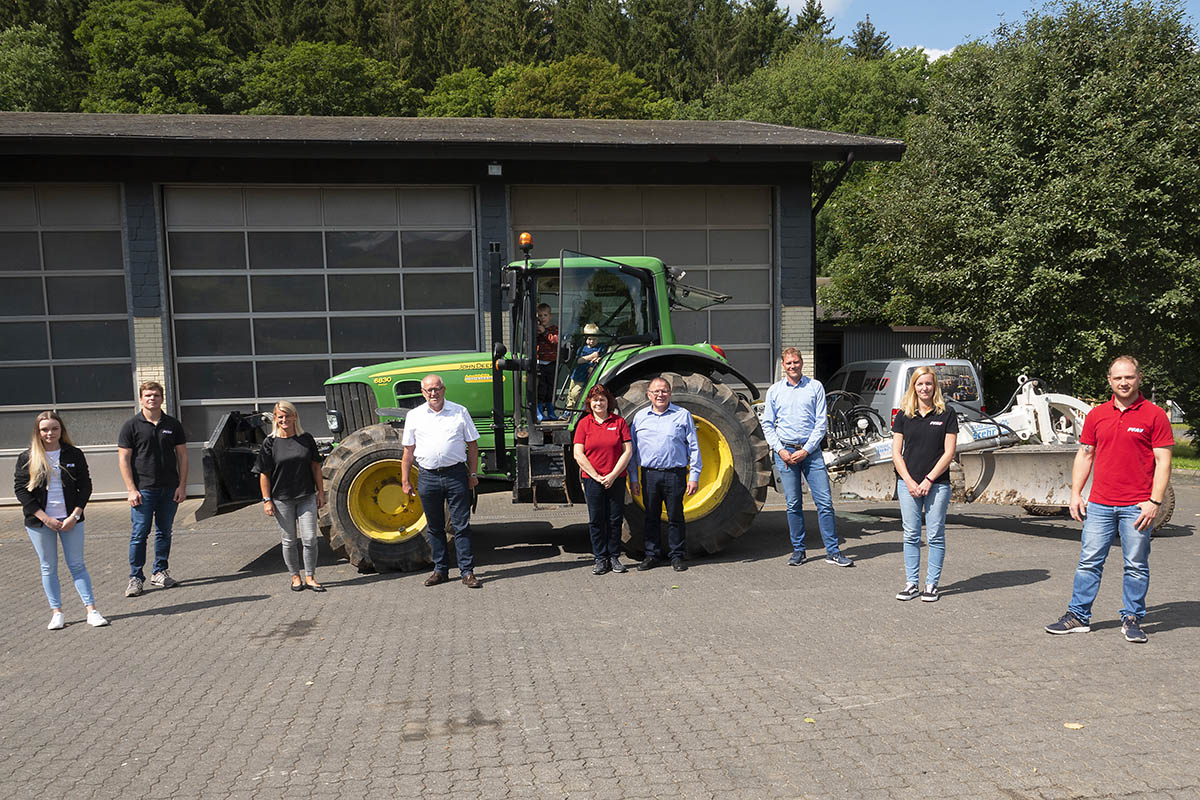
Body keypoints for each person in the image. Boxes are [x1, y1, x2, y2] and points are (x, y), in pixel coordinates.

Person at [1045, 356, 1173, 643]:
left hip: (1137, 506)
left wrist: (1154, 501)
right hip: (1100, 504)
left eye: (1129, 377)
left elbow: (1164, 461)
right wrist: (1076, 494)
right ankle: (1078, 616)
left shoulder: (1155, 415)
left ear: (1139, 378)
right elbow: (1085, 454)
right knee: (1089, 561)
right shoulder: (1097, 415)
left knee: (1136, 564)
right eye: (1118, 378)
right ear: (1109, 381)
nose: (1123, 382)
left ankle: (1132, 618)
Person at [15, 412, 109, 630]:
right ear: (38, 432)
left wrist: (75, 515)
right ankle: (57, 612)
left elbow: (85, 486)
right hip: (40, 523)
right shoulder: (27, 457)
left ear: (61, 430)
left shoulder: (73, 454)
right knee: (48, 567)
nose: (50, 433)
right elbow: (21, 490)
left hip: (71, 520)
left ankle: (91, 610)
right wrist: (45, 518)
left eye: (54, 428)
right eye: (45, 429)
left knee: (77, 564)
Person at [760, 348, 853, 567]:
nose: (793, 366)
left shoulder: (815, 387)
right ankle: (799, 551)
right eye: (788, 363)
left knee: (825, 503)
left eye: (796, 362)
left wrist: (807, 449)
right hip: (785, 453)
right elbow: (767, 424)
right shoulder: (774, 391)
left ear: (802, 363)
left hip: (810, 454)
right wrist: (781, 450)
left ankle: (833, 551)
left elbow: (821, 423)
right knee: (793, 505)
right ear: (783, 365)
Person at [401, 374, 482, 588]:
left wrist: (473, 474)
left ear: (444, 390)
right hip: (427, 476)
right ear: (423, 393)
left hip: (456, 475)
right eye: (429, 390)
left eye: (437, 389)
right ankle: (440, 570)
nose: (433, 393)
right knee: (435, 527)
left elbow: (473, 445)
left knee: (461, 526)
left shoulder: (459, 412)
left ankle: (467, 572)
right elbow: (408, 451)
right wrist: (405, 480)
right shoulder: (414, 416)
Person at [891, 367, 959, 602]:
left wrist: (929, 479)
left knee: (935, 535)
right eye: (920, 384)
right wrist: (909, 481)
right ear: (913, 387)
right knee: (910, 534)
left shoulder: (946, 414)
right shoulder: (903, 415)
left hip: (937, 485)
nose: (924, 388)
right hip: (908, 484)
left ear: (935, 387)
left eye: (929, 384)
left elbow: (949, 453)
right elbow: (896, 454)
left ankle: (931, 585)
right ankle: (911, 584)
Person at [118, 380, 187, 597]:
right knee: (139, 534)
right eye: (147, 395)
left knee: (164, 532)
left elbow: (183, 457)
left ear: (162, 398)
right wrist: (131, 489)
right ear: (141, 398)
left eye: (156, 395)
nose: (152, 398)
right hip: (143, 490)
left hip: (169, 489)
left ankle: (160, 572)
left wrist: (182, 485)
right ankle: (136, 577)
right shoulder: (131, 426)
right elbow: (124, 459)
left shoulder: (173, 425)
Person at [628, 376, 701, 572]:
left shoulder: (682, 414)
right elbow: (633, 451)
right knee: (651, 516)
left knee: (675, 516)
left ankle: (677, 556)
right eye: (656, 391)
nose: (660, 394)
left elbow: (693, 447)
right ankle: (652, 555)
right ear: (649, 395)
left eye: (664, 391)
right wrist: (634, 478)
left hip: (675, 474)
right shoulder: (640, 417)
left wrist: (694, 476)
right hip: (649, 474)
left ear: (670, 393)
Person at [255, 401, 327, 592]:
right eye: (280, 416)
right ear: (276, 419)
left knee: (310, 539)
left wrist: (321, 492)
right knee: (289, 541)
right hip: (281, 499)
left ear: (295, 416)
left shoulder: (306, 439)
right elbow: (264, 474)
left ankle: (310, 576)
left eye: (287, 416)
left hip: (306, 496)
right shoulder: (270, 442)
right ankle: (295, 576)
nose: (284, 420)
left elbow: (316, 467)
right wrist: (266, 500)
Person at [572, 384, 634, 574]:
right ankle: (600, 558)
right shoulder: (584, 424)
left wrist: (613, 475)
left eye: (602, 399)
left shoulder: (619, 422)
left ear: (609, 402)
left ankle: (614, 557)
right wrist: (597, 476)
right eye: (595, 400)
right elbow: (578, 454)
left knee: (615, 519)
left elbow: (628, 451)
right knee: (597, 520)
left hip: (615, 478)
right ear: (589, 403)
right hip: (593, 479)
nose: (599, 403)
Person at [566, 323, 606, 410]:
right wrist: (591, 357)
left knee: (575, 393)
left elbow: (602, 358)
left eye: (594, 339)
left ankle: (573, 409)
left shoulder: (600, 348)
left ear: (598, 338)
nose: (591, 341)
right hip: (577, 374)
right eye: (589, 339)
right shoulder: (582, 349)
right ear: (585, 338)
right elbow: (578, 360)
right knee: (570, 393)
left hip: (585, 376)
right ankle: (568, 410)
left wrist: (598, 359)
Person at [535, 302, 560, 421]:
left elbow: (555, 341)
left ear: (550, 316)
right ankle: (539, 411)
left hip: (551, 363)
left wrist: (544, 332)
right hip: (540, 364)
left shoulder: (553, 329)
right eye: (540, 315)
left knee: (550, 388)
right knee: (541, 388)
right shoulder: (535, 330)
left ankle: (551, 410)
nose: (542, 318)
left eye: (545, 315)